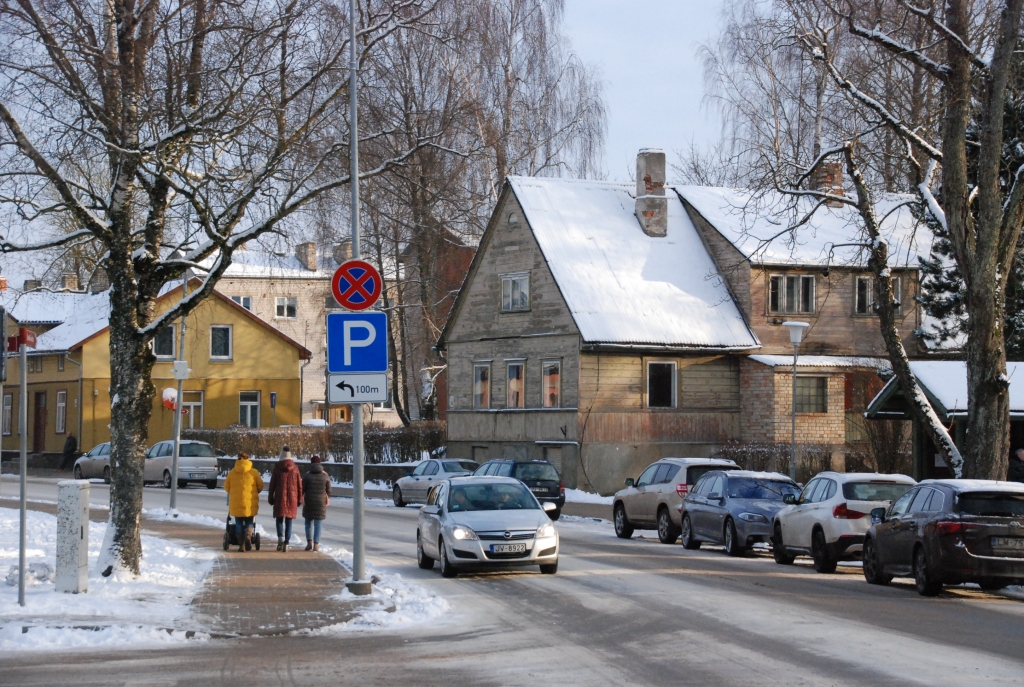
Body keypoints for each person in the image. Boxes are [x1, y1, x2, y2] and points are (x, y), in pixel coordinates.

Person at [223, 452, 263, 552]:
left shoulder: (232, 472)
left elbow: (226, 487)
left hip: (236, 503)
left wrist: (233, 492)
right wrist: (254, 492)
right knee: (250, 521)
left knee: (239, 522)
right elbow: (260, 485)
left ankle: (241, 544)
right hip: (249, 503)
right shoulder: (254, 472)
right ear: (247, 459)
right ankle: (248, 537)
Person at [268, 445, 303, 552]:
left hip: (279, 497)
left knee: (279, 519)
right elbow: (299, 485)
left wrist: (271, 497)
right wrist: (299, 499)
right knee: (289, 521)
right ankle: (287, 542)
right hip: (292, 498)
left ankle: (280, 538)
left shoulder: (277, 467)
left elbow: (272, 484)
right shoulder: (295, 468)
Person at [301, 455, 332, 552]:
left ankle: (309, 543)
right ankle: (316, 545)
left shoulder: (307, 475)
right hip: (320, 502)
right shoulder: (325, 476)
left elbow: (302, 489)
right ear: (320, 463)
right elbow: (329, 490)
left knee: (308, 522)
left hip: (309, 501)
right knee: (318, 523)